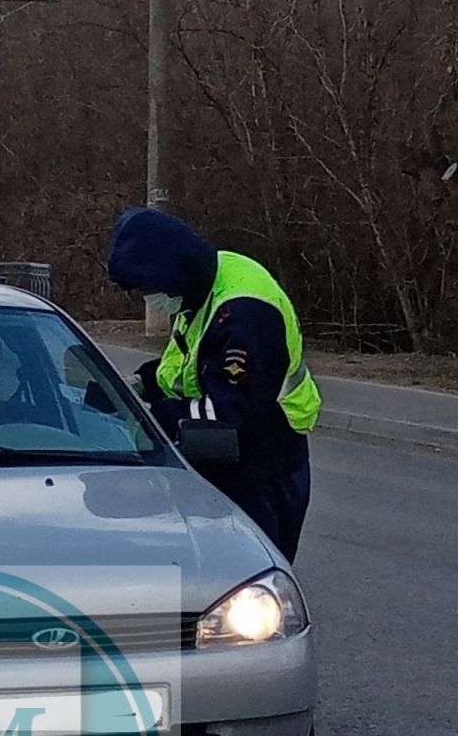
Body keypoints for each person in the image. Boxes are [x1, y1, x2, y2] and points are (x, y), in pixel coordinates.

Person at [107, 206, 321, 562]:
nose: (149, 299)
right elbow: (191, 367)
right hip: (224, 466)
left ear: (172, 271)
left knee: (247, 591)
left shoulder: (245, 312)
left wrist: (147, 420)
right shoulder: (200, 288)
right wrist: (139, 384)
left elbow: (226, 412)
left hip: (264, 470)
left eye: (148, 288)